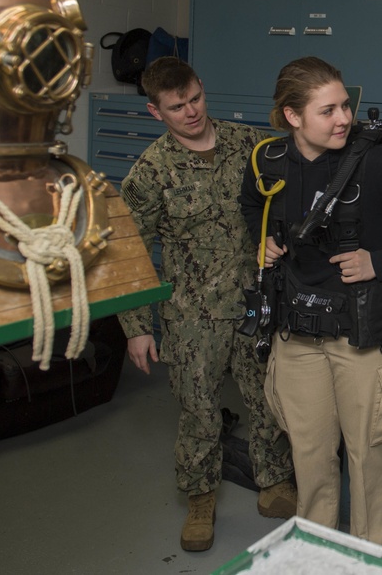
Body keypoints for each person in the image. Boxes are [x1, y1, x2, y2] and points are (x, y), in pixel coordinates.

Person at [239, 56, 382, 546]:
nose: (343, 118)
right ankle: (319, 550)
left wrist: (379, 262)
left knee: (369, 456)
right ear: (292, 116)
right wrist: (265, 241)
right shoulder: (267, 161)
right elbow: (253, 207)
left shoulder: (381, 163)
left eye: (345, 105)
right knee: (311, 455)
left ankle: (370, 557)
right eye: (327, 110)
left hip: (365, 339)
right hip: (296, 335)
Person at [119, 57, 295, 553]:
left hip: (255, 302)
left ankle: (275, 483)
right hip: (192, 315)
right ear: (157, 112)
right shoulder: (151, 171)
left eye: (195, 98)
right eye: (177, 107)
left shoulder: (250, 145)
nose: (191, 112)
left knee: (268, 398)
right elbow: (127, 251)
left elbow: (288, 204)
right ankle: (200, 498)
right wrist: (136, 326)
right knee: (200, 412)